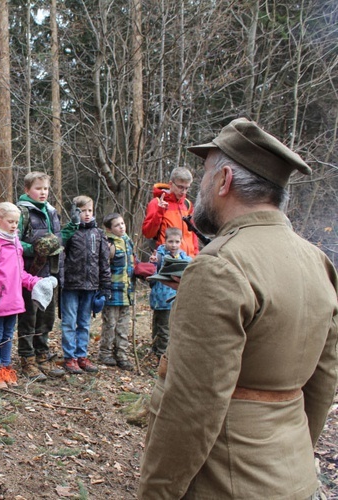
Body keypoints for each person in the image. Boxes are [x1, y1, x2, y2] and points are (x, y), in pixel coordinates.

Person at [139, 118, 338, 499]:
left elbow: (191, 408)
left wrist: (156, 494)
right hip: (296, 479)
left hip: (228, 485)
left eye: (206, 173)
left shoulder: (219, 266)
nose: (199, 186)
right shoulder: (318, 261)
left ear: (224, 180)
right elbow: (323, 383)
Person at [0, 202, 42, 389]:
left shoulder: (15, 242)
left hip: (14, 298)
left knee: (8, 335)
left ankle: (6, 367)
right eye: (10, 221)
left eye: (16, 222)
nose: (14, 225)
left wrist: (34, 282)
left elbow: (20, 272)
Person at [16, 172, 65, 381]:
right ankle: (27, 358)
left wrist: (59, 270)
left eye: (45, 188)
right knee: (29, 316)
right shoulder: (22, 212)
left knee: (47, 316)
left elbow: (58, 241)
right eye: (38, 188)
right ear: (27, 190)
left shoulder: (52, 211)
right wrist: (35, 249)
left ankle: (42, 353)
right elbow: (13, 242)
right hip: (30, 273)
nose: (43, 192)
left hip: (50, 273)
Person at [59, 195, 111, 374]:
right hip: (71, 285)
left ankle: (82, 356)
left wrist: (105, 286)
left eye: (89, 211)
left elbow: (104, 262)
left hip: (91, 286)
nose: (87, 214)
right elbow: (59, 253)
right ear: (75, 211)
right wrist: (61, 279)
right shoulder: (69, 232)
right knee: (69, 322)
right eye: (82, 211)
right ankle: (69, 357)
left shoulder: (98, 234)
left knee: (84, 323)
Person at [99, 213, 135, 371]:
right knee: (110, 324)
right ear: (109, 229)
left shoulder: (127, 241)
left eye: (122, 223)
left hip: (127, 292)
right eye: (117, 225)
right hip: (112, 292)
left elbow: (133, 262)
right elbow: (103, 268)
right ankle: (105, 353)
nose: (121, 227)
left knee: (123, 325)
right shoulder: (108, 244)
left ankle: (121, 354)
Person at [147, 227, 190, 359]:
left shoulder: (184, 257)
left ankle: (161, 351)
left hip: (175, 299)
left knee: (169, 327)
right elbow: (151, 275)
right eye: (170, 242)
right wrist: (153, 264)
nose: (174, 245)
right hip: (161, 299)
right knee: (161, 327)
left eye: (177, 242)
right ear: (165, 241)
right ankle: (161, 354)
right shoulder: (159, 256)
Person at [141, 167, 199, 257]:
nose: (183, 191)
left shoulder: (187, 204)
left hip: (188, 260)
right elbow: (148, 233)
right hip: (167, 260)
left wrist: (196, 255)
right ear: (171, 184)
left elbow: (193, 234)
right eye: (180, 187)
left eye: (186, 188)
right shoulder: (157, 203)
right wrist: (159, 212)